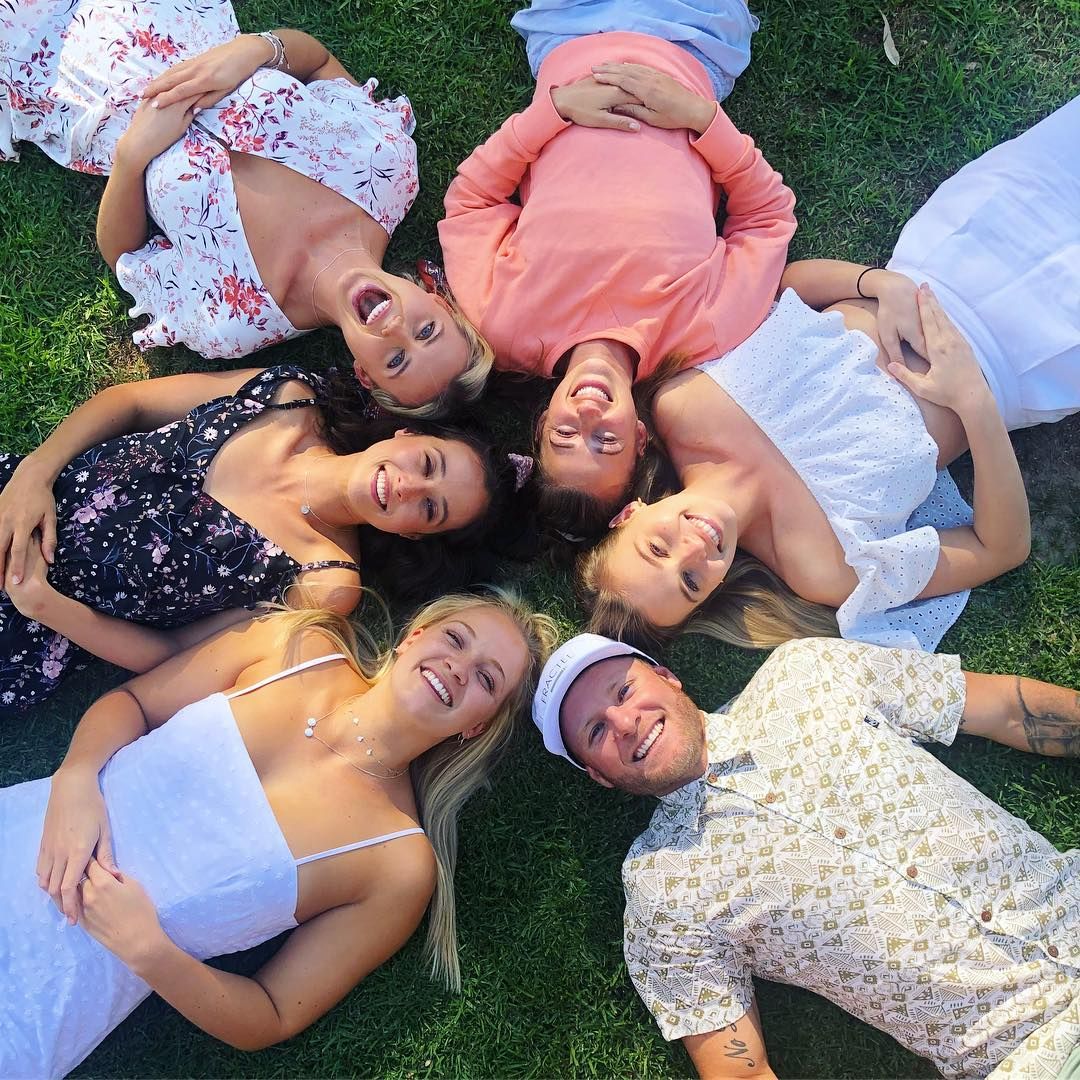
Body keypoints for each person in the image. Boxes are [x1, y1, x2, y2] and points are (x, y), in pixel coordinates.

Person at [0, 588, 557, 1077]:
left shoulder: (396, 865)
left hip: (40, 1003)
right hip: (21, 834)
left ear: (477, 726)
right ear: (414, 636)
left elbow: (272, 1013)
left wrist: (149, 953)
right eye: (455, 639)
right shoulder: (296, 646)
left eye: (487, 678)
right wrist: (76, 778)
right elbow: (135, 703)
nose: (459, 667)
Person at [531, 632, 1080, 1079]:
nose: (625, 722)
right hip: (1032, 1053)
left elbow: (1002, 709)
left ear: (667, 676)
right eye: (596, 730)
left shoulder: (808, 673)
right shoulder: (661, 890)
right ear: (599, 776)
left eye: (624, 690)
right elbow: (739, 1072)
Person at [0, 0, 492, 416]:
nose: (396, 329)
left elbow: (126, 256)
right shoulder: (388, 171)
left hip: (67, 82)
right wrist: (253, 51)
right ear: (438, 300)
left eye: (396, 361)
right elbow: (318, 62)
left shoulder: (235, 323)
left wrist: (131, 157)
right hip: (163, 14)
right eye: (427, 330)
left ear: (364, 373)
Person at [438, 0, 795, 528]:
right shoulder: (704, 333)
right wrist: (701, 118)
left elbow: (471, 202)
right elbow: (768, 218)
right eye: (606, 441)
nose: (588, 415)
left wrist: (556, 109)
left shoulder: (503, 321)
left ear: (541, 423)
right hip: (694, 41)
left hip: (568, 31)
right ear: (640, 436)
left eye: (565, 435)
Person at [0, 365, 525, 712]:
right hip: (15, 495)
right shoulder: (290, 397)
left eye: (430, 509)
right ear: (407, 433)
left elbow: (173, 655)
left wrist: (42, 603)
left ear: (413, 533)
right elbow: (134, 401)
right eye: (428, 464)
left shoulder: (325, 581)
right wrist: (34, 474)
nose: (410, 487)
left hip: (26, 626)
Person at [579, 284, 1028, 653]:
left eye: (657, 549)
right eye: (691, 582)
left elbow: (773, 284)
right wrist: (975, 401)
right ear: (712, 593)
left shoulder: (681, 404)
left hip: (936, 261)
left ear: (629, 513)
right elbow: (999, 549)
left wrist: (876, 281)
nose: (693, 551)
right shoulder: (825, 569)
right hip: (1017, 364)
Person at [782, 93, 1080, 434]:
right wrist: (975, 402)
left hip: (955, 250)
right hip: (1028, 363)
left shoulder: (726, 387)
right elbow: (1004, 477)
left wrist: (878, 282)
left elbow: (781, 286)